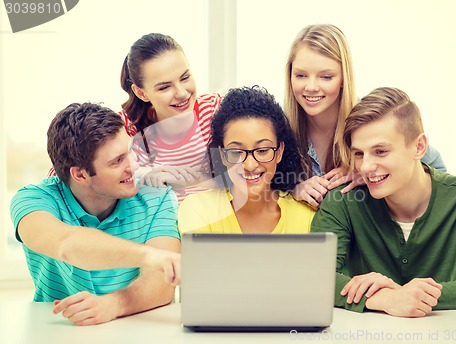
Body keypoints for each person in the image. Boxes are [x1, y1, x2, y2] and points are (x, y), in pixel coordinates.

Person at [311, 87, 456, 317]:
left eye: (380, 151)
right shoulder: (342, 202)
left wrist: (412, 298)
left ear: (419, 147)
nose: (365, 167)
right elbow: (314, 277)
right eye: (359, 154)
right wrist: (386, 299)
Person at [10, 102, 181, 326]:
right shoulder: (33, 201)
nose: (133, 166)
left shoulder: (157, 196)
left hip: (138, 329)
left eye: (129, 152)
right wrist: (149, 255)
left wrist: (113, 304)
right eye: (117, 161)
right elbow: (67, 244)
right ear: (80, 174)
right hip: (57, 330)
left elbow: (162, 282)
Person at [284, 24, 447, 208]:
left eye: (326, 77)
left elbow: (436, 169)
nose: (311, 87)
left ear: (344, 78)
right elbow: (255, 189)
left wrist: (371, 171)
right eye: (301, 75)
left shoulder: (370, 119)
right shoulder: (278, 127)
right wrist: (293, 190)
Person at [178, 86, 315, 234]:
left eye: (262, 151)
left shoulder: (307, 217)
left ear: (279, 151)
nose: (250, 165)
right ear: (222, 155)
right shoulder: (198, 210)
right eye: (236, 152)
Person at [120, 33, 222, 202]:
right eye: (165, 87)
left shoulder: (215, 110)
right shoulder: (126, 127)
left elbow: (245, 175)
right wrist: (143, 176)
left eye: (185, 77)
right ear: (141, 93)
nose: (182, 93)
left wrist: (183, 179)